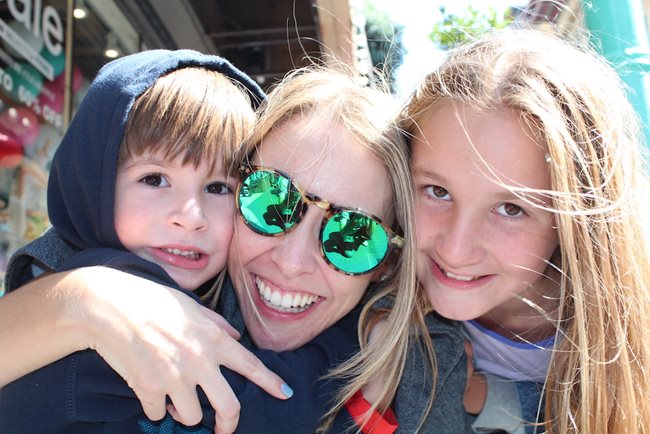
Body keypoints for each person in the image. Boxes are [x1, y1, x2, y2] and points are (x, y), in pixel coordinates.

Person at [0, 59, 468, 432]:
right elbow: (265, 405)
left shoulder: (423, 361)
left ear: (390, 263)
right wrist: (81, 299)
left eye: (355, 236)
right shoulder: (123, 287)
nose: (291, 261)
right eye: (271, 200)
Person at [400, 28, 650, 433]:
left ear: (577, 219)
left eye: (510, 208)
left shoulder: (632, 326)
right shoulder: (367, 292)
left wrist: (486, 396)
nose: (456, 249)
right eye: (437, 191)